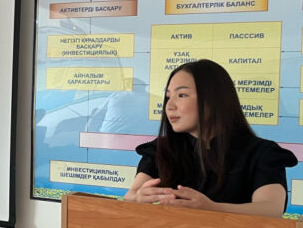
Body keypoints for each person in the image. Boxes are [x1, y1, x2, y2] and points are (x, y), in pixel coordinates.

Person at [125, 59, 297, 217]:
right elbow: (130, 197)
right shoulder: (159, 149)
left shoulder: (262, 153)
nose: (169, 106)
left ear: (214, 98)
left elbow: (271, 209)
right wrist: (138, 199)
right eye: (168, 96)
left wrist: (212, 208)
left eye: (182, 95)